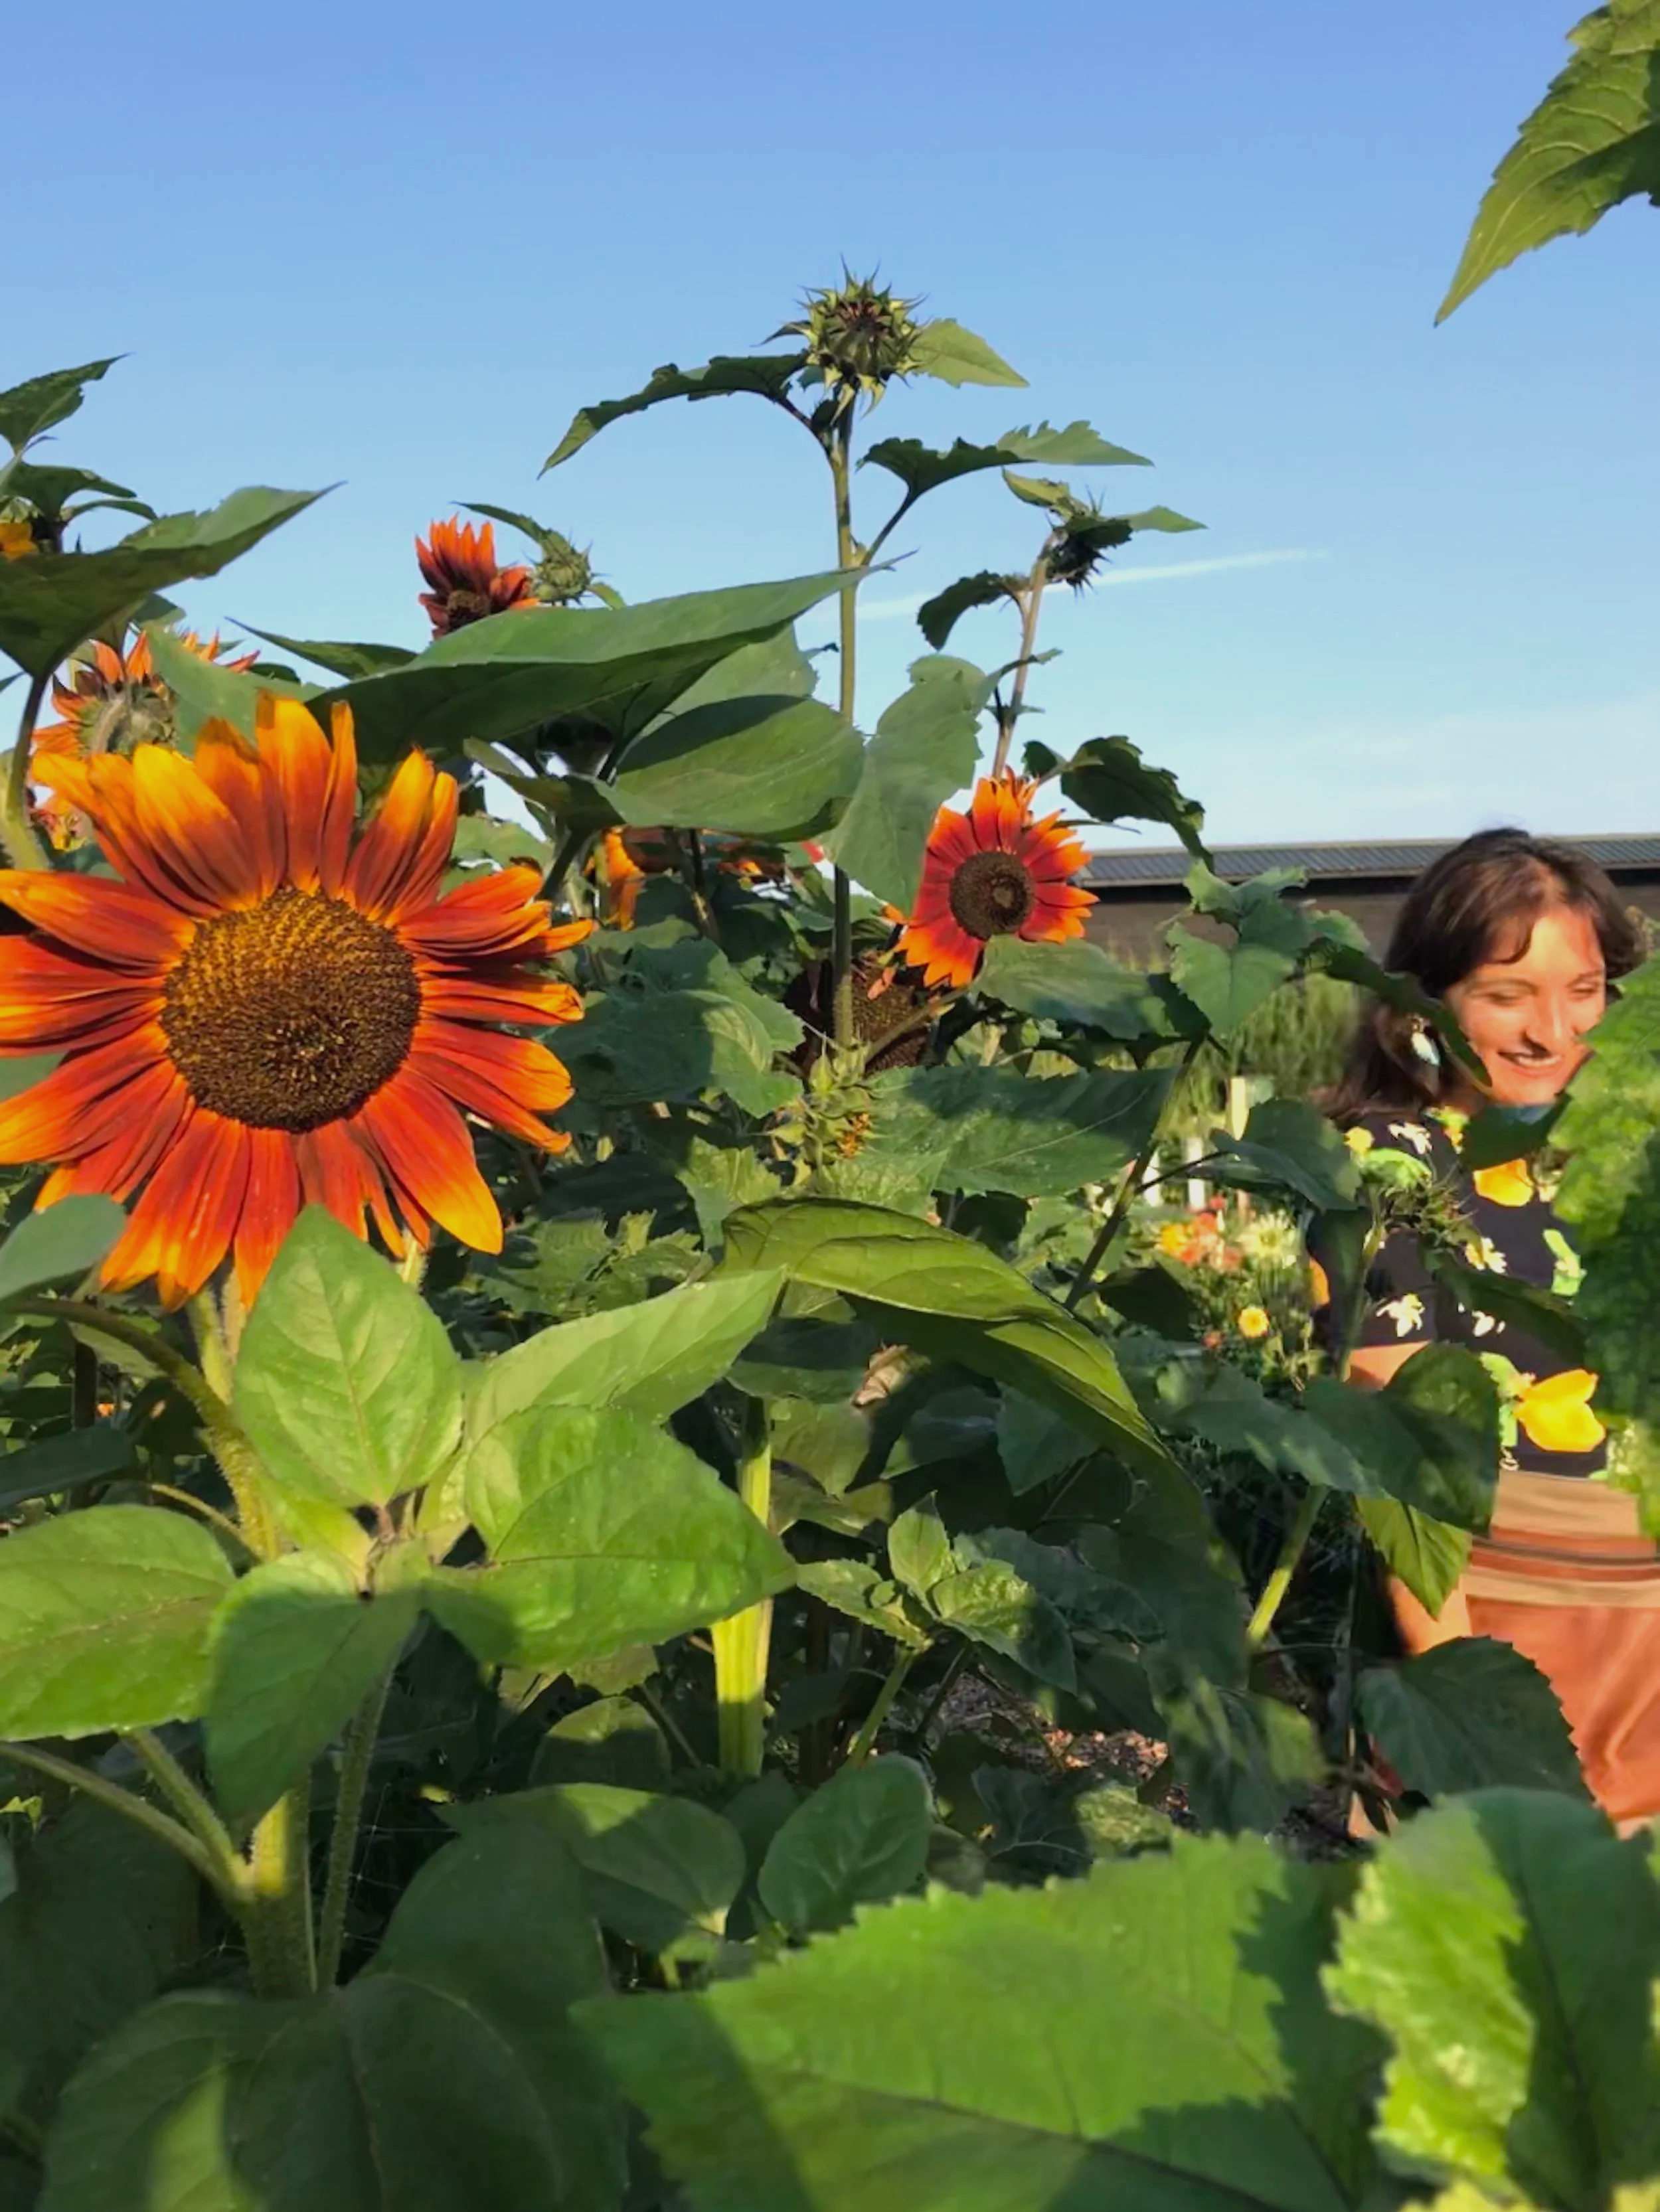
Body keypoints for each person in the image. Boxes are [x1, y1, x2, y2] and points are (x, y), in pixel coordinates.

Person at [1324, 826, 1656, 1828]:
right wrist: (1464, 1731)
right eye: (1506, 995)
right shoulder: (1393, 1165)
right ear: (1426, 1005)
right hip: (1521, 1645)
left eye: (1583, 990)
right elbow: (1402, 1475)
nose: (1550, 1032)